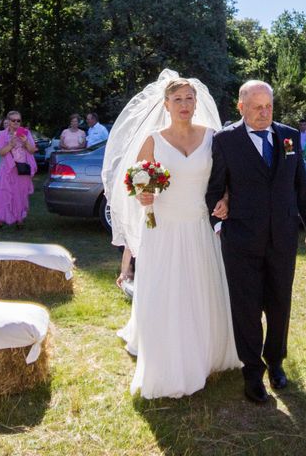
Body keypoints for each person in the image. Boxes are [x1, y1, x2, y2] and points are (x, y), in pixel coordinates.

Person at [103, 70, 240, 399]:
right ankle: (166, 358)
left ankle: (204, 352)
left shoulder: (212, 137)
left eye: (188, 98)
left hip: (198, 224)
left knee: (200, 287)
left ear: (197, 103)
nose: (183, 104)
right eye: (177, 99)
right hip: (162, 226)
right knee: (166, 289)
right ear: (166, 104)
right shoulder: (153, 139)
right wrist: (144, 194)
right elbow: (136, 180)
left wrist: (224, 200)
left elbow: (226, 181)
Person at [206, 80, 306, 404]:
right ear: (241, 107)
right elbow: (214, 189)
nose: (264, 112)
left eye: (268, 106)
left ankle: (276, 363)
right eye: (256, 107)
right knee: (247, 309)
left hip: (283, 238)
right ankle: (252, 372)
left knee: (279, 304)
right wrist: (219, 216)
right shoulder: (225, 140)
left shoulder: (288, 136)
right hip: (241, 240)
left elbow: (301, 186)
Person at [0, 111, 37, 229]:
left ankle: (19, 219)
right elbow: (0, 152)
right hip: (7, 170)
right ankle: (0, 219)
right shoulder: (1, 134)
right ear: (8, 121)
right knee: (3, 194)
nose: (16, 123)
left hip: (22, 170)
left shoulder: (26, 133)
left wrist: (25, 142)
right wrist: (10, 144)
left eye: (18, 120)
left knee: (20, 195)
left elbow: (32, 150)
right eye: (13, 120)